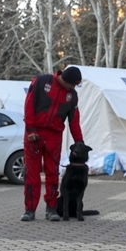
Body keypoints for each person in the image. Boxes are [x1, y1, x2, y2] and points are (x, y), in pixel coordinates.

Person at [21, 66, 84, 222]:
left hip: (54, 136)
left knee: (52, 173)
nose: (73, 88)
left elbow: (74, 121)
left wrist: (80, 143)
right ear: (67, 80)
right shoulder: (41, 82)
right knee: (32, 174)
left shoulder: (72, 96)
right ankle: (29, 210)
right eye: (73, 85)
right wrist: (30, 130)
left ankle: (51, 208)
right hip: (34, 134)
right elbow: (29, 106)